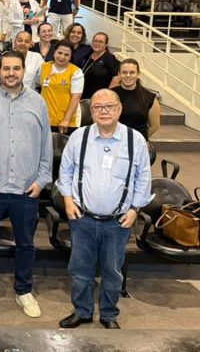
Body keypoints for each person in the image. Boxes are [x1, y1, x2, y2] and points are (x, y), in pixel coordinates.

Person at [0, 50, 52, 319]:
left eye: (16, 68)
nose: (11, 73)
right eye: (6, 68)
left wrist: (42, 180)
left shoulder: (38, 103)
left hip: (26, 189)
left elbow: (46, 144)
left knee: (26, 244)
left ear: (24, 70)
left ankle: (24, 290)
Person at [57, 89, 152, 330]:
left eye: (109, 106)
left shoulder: (135, 140)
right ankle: (82, 311)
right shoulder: (79, 137)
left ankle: (109, 314)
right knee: (80, 270)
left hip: (118, 222)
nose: (104, 111)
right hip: (83, 219)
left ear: (119, 109)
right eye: (98, 107)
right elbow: (65, 170)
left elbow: (143, 178)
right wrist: (67, 199)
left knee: (112, 271)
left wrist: (135, 210)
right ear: (92, 111)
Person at [40, 40, 84, 135]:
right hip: (46, 119)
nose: (62, 57)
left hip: (67, 122)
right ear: (54, 52)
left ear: (70, 56)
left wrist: (66, 120)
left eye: (66, 54)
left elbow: (76, 98)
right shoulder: (44, 67)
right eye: (59, 53)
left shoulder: (76, 72)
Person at [112, 58, 161, 140]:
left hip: (138, 143)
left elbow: (155, 126)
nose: (128, 75)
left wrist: (139, 139)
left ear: (138, 74)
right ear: (119, 74)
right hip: (113, 141)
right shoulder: (110, 94)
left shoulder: (150, 98)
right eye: (124, 72)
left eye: (132, 72)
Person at [81, 33, 120, 100]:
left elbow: (117, 76)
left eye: (101, 42)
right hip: (83, 95)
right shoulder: (87, 55)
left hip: (99, 98)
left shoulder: (109, 58)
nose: (97, 43)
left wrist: (108, 94)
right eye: (95, 41)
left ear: (106, 45)